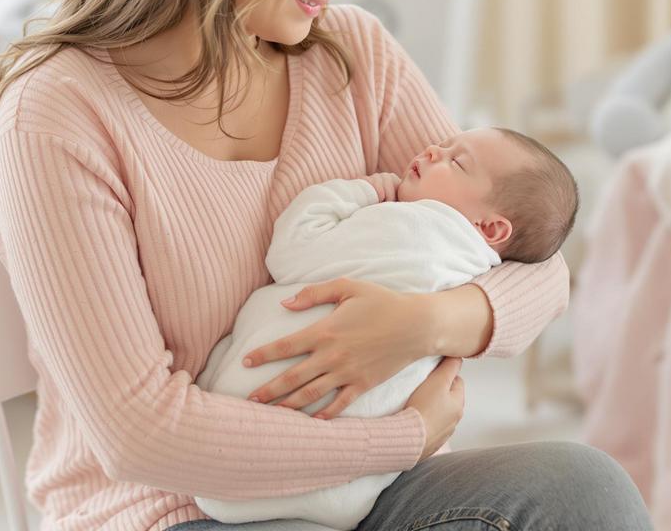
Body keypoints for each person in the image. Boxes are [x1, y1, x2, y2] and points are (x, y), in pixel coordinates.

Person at [0, 0, 652, 531]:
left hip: (351, 498)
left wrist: (427, 325)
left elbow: (538, 267)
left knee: (584, 491)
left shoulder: (352, 54)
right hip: (170, 511)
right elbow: (139, 434)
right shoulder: (61, 109)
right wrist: (402, 437)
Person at [192, 127, 580, 528]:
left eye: (456, 160)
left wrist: (370, 189)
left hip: (246, 459)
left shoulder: (408, 228)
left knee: (584, 482)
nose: (432, 150)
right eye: (444, 147)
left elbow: (291, 251)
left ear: (492, 229)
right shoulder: (475, 263)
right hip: (354, 491)